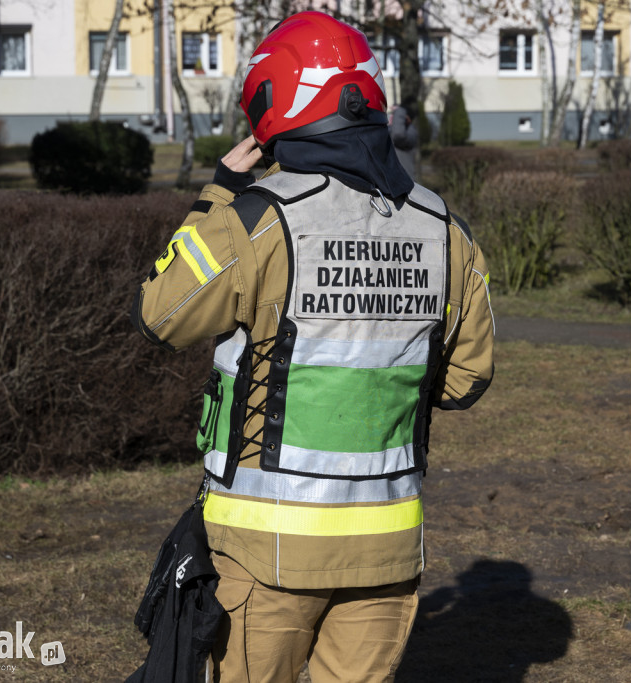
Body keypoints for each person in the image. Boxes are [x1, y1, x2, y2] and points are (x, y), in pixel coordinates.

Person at [130, 11, 495, 682]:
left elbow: (159, 312)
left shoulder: (256, 219)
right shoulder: (446, 228)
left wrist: (219, 190)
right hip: (386, 548)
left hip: (266, 550)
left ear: (274, 106)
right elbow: (466, 381)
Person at [390, 99, 420, 179]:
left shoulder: (411, 132)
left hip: (404, 185)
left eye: (395, 115)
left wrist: (399, 111)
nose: (393, 117)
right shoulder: (391, 131)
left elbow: (398, 135)